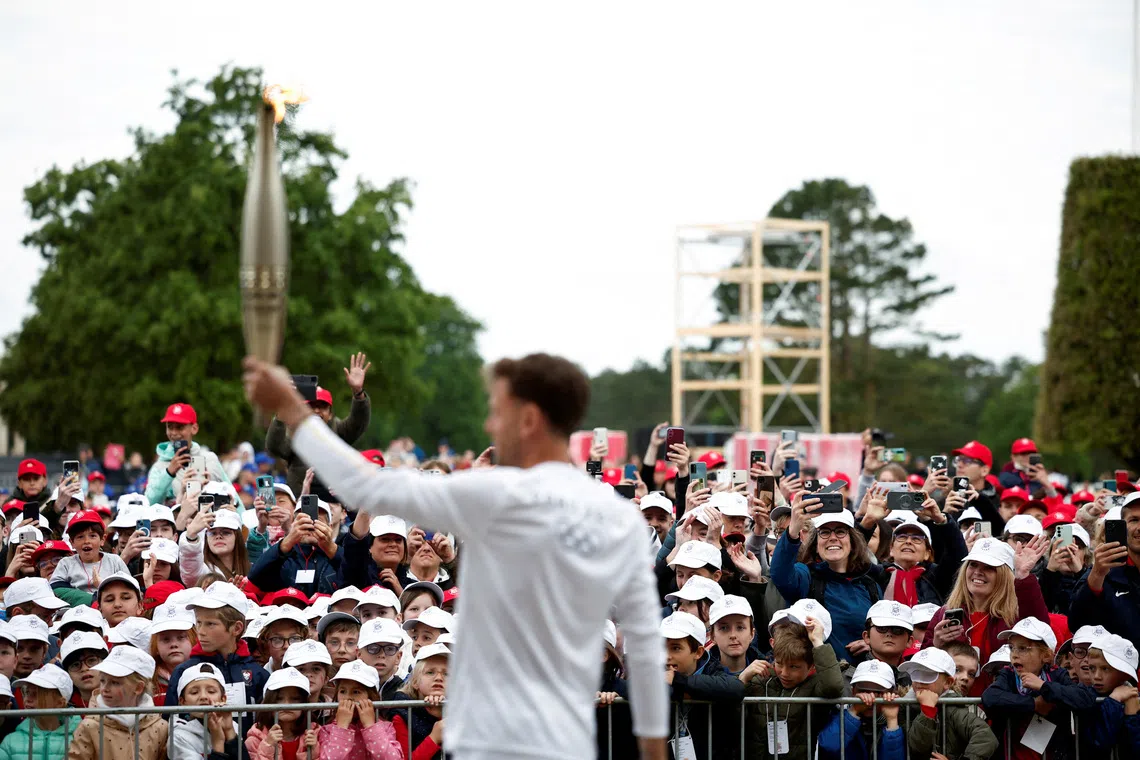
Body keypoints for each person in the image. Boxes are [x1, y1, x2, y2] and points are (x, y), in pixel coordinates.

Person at [243, 351, 669, 758]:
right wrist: (653, 750)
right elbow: (646, 647)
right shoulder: (620, 518)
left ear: (529, 419)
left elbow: (367, 486)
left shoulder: (493, 495)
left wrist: (293, 412)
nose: (488, 423)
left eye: (497, 412)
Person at [922, 536, 1050, 694]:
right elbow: (923, 669)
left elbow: (1041, 631)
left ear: (1004, 575)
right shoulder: (943, 614)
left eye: (989, 567)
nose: (977, 572)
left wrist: (1023, 575)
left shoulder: (1014, 616)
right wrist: (936, 645)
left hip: (1000, 708)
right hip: (952, 710)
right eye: (973, 564)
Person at [770, 497, 879, 661]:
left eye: (841, 531)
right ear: (816, 542)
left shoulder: (869, 584)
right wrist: (793, 530)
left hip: (863, 679)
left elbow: (886, 632)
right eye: (825, 532)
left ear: (852, 540)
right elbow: (780, 574)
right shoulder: (807, 576)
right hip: (818, 679)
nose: (833, 537)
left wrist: (873, 645)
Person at [981, 617, 1095, 759]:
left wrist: (1044, 687)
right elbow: (990, 697)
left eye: (1023, 648)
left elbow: (1084, 698)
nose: (1014, 654)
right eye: (1011, 648)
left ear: (1046, 656)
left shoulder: (1057, 674)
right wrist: (1033, 704)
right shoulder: (1008, 674)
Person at [266, 353, 373, 496]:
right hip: (300, 503)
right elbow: (275, 447)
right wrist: (281, 411)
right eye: (312, 406)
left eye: (322, 406)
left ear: (330, 413)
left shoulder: (338, 430)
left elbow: (358, 423)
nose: (317, 410)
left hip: (333, 504)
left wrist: (358, 392)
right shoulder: (295, 432)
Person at [740, 612, 843, 760]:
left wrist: (818, 642)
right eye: (779, 663)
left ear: (811, 665)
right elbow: (731, 710)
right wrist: (742, 678)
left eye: (794, 667)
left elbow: (833, 686)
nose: (784, 673)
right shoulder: (762, 678)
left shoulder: (814, 685)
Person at [163, 581, 270, 721]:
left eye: (210, 624)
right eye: (199, 623)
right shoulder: (183, 671)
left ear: (237, 628)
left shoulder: (258, 674)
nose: (200, 632)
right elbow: (169, 722)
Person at [659, 610, 744, 760]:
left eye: (676, 648)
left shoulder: (713, 671)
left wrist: (681, 682)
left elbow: (735, 688)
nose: (666, 656)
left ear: (698, 652)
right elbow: (630, 687)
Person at [69, 645, 169, 760]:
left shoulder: (160, 727)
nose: (104, 688)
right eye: (102, 680)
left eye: (115, 682)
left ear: (138, 688)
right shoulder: (90, 725)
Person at [1069, 491, 1140, 645]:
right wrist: (1096, 576)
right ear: (1122, 526)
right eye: (1134, 520)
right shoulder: (1104, 570)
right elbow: (1077, 625)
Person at [903, 647, 997, 760]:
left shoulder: (954, 709)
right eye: (916, 674)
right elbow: (917, 747)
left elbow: (986, 737)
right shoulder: (904, 706)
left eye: (928, 675)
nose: (919, 682)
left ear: (947, 682)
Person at [249, 499, 342, 598]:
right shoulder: (282, 554)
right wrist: (287, 541)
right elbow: (255, 578)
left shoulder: (336, 554)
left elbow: (355, 576)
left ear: (330, 527)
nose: (310, 524)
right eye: (303, 520)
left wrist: (330, 548)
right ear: (293, 525)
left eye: (317, 520)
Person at [818, 659, 905, 760]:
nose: (870, 697)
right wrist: (853, 711)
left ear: (892, 692)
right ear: (853, 690)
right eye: (863, 690)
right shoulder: (839, 711)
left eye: (878, 692)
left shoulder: (901, 716)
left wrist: (892, 720)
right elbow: (828, 746)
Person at [145, 403, 230, 505]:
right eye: (170, 427)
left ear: (194, 428)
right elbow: (149, 502)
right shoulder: (159, 467)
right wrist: (169, 473)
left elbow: (231, 495)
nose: (174, 433)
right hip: (178, 520)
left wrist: (208, 485)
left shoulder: (209, 459)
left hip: (209, 518)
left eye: (180, 427)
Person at [318, 660, 402, 760]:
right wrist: (342, 727)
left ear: (372, 696)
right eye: (343, 691)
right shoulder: (328, 730)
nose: (348, 697)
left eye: (356, 692)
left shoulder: (385, 727)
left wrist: (370, 726)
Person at [0, 665, 81, 760]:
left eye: (35, 694)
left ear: (60, 703)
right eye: (26, 692)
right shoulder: (11, 741)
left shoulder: (80, 739)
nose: (27, 699)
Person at [169, 662, 242, 760]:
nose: (203, 697)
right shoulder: (179, 737)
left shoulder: (234, 727)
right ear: (182, 701)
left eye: (211, 691)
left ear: (223, 699)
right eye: (194, 692)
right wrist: (218, 743)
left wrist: (229, 732)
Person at [1082, 632, 1140, 754]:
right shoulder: (1086, 697)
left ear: (1125, 674)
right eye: (1092, 668)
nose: (1096, 676)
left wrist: (1132, 716)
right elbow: (1099, 743)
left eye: (1105, 669)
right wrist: (1113, 701)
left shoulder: (1134, 699)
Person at [245, 667, 321, 760]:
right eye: (279, 699)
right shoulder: (255, 738)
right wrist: (267, 745)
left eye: (295, 699)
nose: (286, 704)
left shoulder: (316, 733)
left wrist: (314, 751)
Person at [391, 643, 451, 760]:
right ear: (415, 682)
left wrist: (442, 713)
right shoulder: (403, 713)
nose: (439, 677)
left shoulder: (463, 711)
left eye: (446, 673)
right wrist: (434, 738)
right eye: (430, 672)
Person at [51, 509, 130, 596]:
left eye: (92, 536)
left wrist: (103, 585)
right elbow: (55, 589)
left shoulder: (115, 561)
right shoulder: (66, 563)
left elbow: (130, 589)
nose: (86, 541)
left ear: (102, 539)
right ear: (72, 543)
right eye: (80, 537)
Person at [180, 506, 250, 586]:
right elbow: (190, 570)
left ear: (237, 537)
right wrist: (191, 535)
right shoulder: (201, 571)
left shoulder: (251, 569)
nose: (218, 536)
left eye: (226, 532)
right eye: (212, 533)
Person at [149, 602, 196, 704]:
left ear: (194, 639)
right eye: (166, 639)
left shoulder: (207, 674)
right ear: (155, 646)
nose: (174, 644)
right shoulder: (148, 682)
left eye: (181, 637)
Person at [60, 631, 108, 708]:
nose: (84, 668)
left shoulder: (125, 700)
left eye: (91, 660)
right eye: (75, 665)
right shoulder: (63, 707)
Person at [260, 606, 310, 671]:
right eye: (278, 639)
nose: (286, 646)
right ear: (267, 643)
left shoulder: (317, 678)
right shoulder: (258, 679)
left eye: (294, 639)